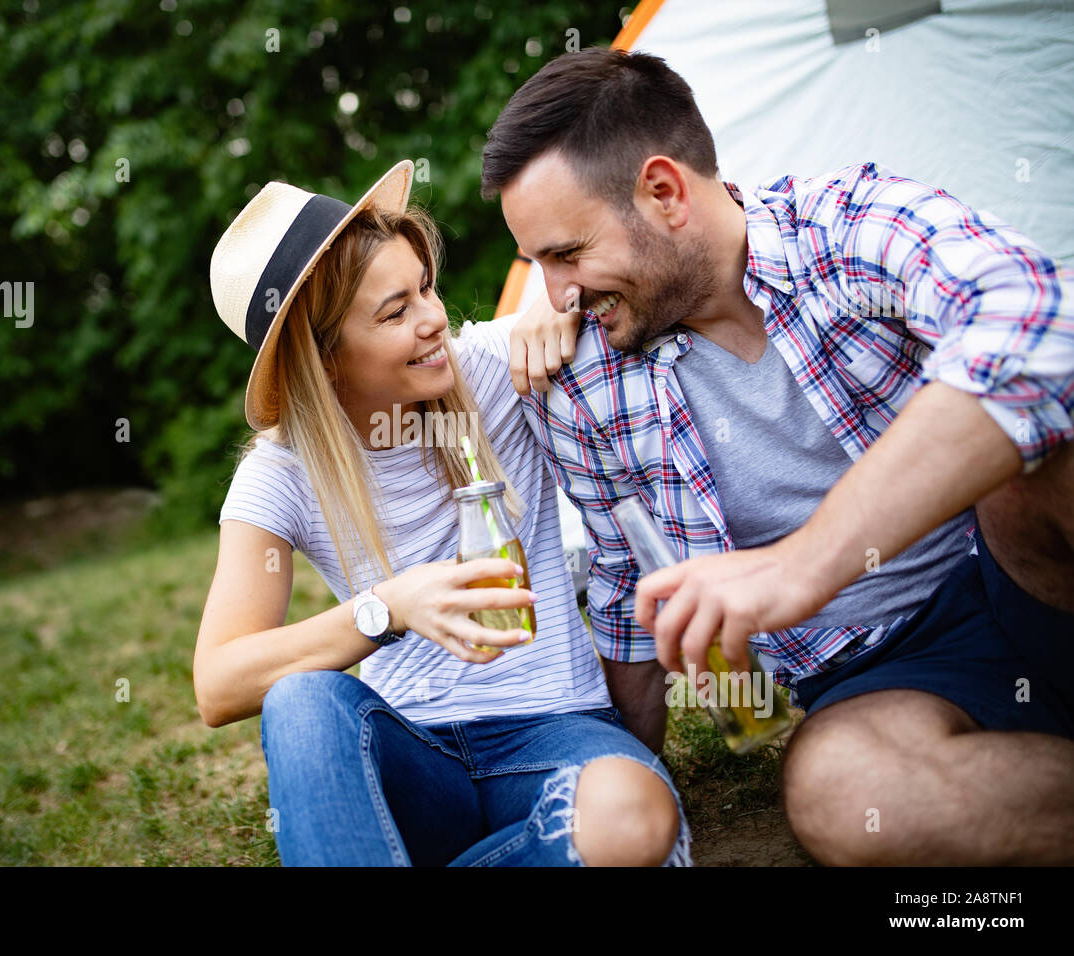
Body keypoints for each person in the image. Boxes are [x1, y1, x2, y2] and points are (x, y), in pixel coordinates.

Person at [479, 46, 1074, 865]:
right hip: (880, 677)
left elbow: (1041, 328)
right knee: (841, 793)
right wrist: (630, 770)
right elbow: (625, 588)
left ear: (662, 192)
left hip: (1022, 570)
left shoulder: (849, 225)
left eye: (567, 254)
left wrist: (801, 566)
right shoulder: (582, 381)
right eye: (536, 262)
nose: (555, 295)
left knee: (1046, 453)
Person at [196, 159, 692, 866]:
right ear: (325, 359)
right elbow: (218, 683)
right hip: (414, 755)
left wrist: (563, 297)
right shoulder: (280, 474)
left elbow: (637, 275)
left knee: (632, 816)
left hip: (556, 729)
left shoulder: (497, 367)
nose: (435, 320)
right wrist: (388, 608)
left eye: (424, 288)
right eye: (395, 313)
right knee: (301, 702)